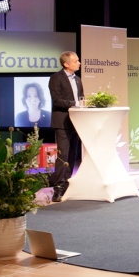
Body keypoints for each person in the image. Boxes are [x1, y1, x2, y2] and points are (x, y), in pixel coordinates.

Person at [48, 51, 84, 202]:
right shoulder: (56, 78)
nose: (79, 63)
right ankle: (57, 186)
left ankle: (68, 183)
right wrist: (75, 104)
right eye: (76, 61)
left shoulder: (77, 79)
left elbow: (81, 98)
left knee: (72, 155)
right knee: (63, 155)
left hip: (75, 121)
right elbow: (57, 100)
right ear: (66, 64)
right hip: (62, 122)